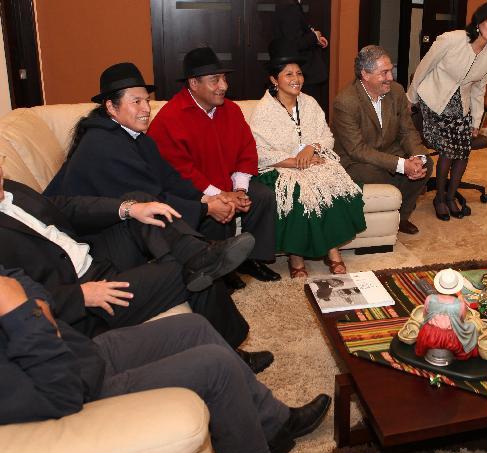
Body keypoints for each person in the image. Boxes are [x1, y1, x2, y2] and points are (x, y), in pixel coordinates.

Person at [0, 193, 330, 453]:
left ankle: (274, 425)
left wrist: (28, 308)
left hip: (77, 352)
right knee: (213, 365)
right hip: (79, 384)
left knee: (194, 330)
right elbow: (58, 392)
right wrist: (24, 316)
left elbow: (18, 280)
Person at [0, 125, 264, 361]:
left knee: (141, 203)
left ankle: (199, 252)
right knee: (183, 272)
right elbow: (1, 294)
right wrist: (79, 296)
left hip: (91, 254)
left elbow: (63, 206)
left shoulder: (5, 189)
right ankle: (231, 346)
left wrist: (128, 209)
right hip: (85, 293)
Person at [148, 46, 281, 288]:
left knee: (262, 196)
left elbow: (246, 149)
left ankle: (252, 259)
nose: (224, 86)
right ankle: (221, 267)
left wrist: (240, 189)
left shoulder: (230, 110)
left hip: (228, 182)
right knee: (216, 210)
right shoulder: (170, 118)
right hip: (193, 191)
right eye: (215, 80)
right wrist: (220, 195)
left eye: (224, 78)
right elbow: (180, 171)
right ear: (193, 83)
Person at [45, 62, 236, 231]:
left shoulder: (138, 138)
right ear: (111, 107)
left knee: (207, 218)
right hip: (83, 234)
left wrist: (206, 198)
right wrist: (207, 208)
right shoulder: (102, 142)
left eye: (147, 100)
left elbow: (170, 179)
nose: (146, 108)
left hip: (117, 221)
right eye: (136, 101)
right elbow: (149, 197)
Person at [248, 39, 366, 278]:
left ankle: (332, 251)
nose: (296, 78)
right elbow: (261, 152)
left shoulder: (310, 102)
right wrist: (296, 162)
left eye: (299, 73)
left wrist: (312, 148)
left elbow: (327, 136)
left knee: (330, 183)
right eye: (288, 73)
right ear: (274, 79)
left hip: (313, 163)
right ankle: (296, 256)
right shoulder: (264, 110)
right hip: (278, 169)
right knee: (299, 192)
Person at [407, 2, 487, 221]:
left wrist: (475, 122)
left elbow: (479, 89)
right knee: (452, 146)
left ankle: (451, 197)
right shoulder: (451, 39)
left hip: (461, 104)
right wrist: (410, 97)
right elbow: (424, 66)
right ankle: (440, 198)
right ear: (479, 22)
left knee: (463, 146)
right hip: (432, 100)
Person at [332, 45, 432, 235]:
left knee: (426, 163)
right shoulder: (345, 101)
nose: (390, 77)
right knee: (377, 173)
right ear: (365, 74)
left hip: (389, 151)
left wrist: (417, 156)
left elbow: (407, 131)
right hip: (357, 162)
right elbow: (357, 149)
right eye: (384, 73)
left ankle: (402, 217)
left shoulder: (396, 91)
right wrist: (402, 165)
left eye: (390, 71)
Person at [274, 0, 330, 112]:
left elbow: (297, 33)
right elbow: (293, 43)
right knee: (307, 114)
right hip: (303, 72)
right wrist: (313, 37)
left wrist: (315, 39)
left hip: (304, 72)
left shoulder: (293, 5)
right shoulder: (289, 6)